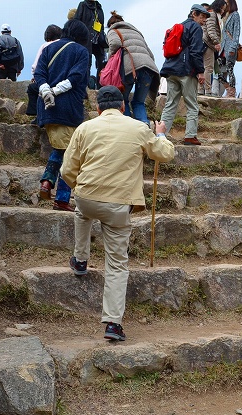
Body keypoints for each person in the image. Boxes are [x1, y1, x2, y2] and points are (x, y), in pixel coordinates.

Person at [61, 86, 175, 341]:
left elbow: (67, 169)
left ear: (98, 108)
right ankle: (113, 323)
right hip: (119, 204)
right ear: (123, 106)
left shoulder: (85, 128)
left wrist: (78, 188)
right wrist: (160, 134)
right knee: (116, 263)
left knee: (81, 210)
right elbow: (165, 154)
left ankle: (80, 259)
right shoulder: (137, 128)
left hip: (87, 196)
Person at [34, 19, 90, 211]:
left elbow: (39, 73)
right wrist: (56, 92)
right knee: (69, 155)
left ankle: (49, 184)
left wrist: (46, 91)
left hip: (46, 106)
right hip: (67, 108)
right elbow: (75, 77)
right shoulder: (81, 52)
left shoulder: (49, 48)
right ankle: (58, 195)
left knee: (62, 149)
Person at [159, 4, 209, 146]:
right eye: (202, 16)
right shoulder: (196, 28)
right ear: (194, 14)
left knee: (170, 104)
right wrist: (200, 71)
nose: (204, 19)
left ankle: (161, 134)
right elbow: (196, 51)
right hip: (186, 71)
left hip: (171, 70)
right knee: (192, 105)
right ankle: (190, 136)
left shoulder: (178, 27)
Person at [106, 11, 160, 126]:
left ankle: (127, 126)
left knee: (123, 99)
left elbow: (115, 43)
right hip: (148, 68)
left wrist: (110, 59)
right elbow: (151, 54)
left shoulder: (113, 30)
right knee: (139, 102)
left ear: (110, 25)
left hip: (130, 67)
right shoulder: (137, 32)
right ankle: (144, 126)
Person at [26, 24, 62, 119]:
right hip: (62, 83)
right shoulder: (66, 46)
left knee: (32, 89)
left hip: (47, 82)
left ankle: (35, 113)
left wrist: (35, 76)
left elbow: (36, 66)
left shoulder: (45, 46)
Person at [74, 0, 108, 86]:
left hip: (98, 39)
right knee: (87, 62)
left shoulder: (99, 8)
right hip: (85, 39)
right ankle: (85, 86)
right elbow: (77, 21)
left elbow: (101, 25)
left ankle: (100, 86)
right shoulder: (82, 5)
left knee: (102, 62)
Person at [212, 0, 240, 98]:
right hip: (221, 47)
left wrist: (233, 46)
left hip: (230, 47)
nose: (225, 5)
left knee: (229, 70)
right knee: (217, 70)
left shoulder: (235, 15)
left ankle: (232, 92)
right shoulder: (223, 15)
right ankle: (228, 88)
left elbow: (236, 33)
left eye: (227, 3)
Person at [201, 2, 221, 96]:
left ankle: (201, 89)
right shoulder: (212, 14)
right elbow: (211, 29)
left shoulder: (209, 14)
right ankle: (207, 90)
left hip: (204, 42)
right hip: (208, 44)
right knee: (208, 68)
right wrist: (216, 42)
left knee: (203, 67)